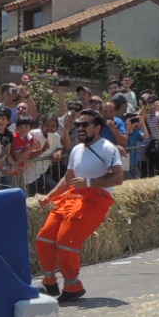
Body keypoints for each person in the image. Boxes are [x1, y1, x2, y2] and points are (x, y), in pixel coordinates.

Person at [35, 109, 125, 302]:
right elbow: (68, 178)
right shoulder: (76, 149)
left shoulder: (108, 148)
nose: (80, 128)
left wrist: (89, 183)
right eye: (78, 125)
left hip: (95, 200)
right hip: (72, 198)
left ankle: (73, 286)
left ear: (97, 127)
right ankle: (50, 283)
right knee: (44, 238)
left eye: (85, 125)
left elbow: (118, 178)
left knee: (65, 242)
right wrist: (49, 197)